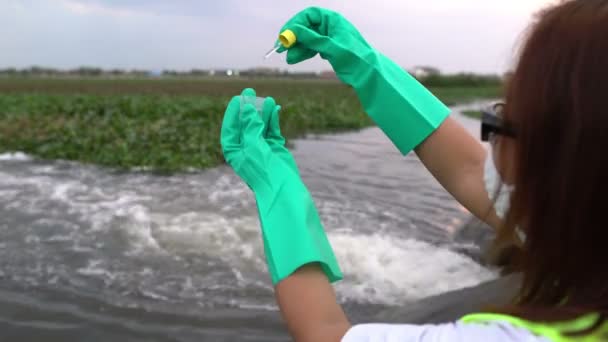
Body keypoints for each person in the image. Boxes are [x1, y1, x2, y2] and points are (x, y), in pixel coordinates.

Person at [220, 1, 608, 341]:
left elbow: (325, 335)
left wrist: (276, 189)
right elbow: (471, 170)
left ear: (559, 161)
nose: (491, 134)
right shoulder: (589, 221)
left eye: (503, 115)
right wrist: (363, 63)